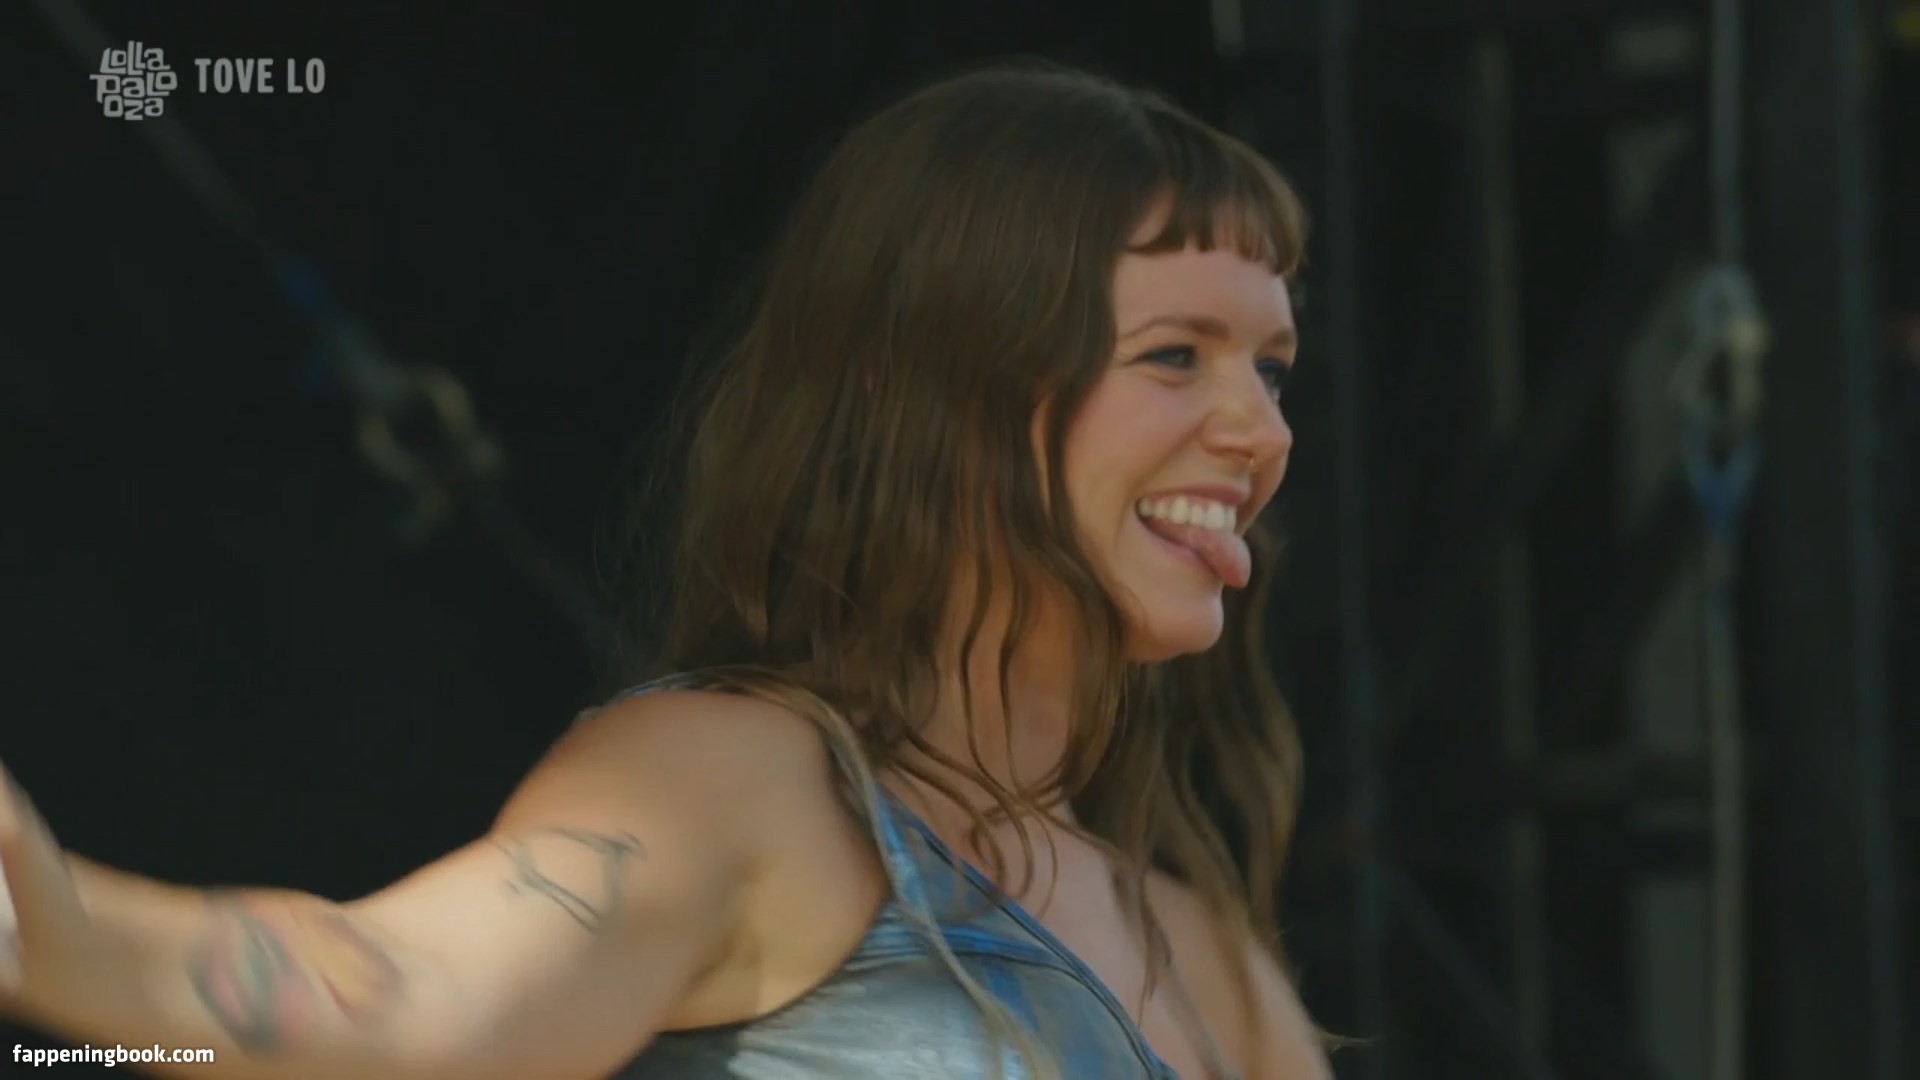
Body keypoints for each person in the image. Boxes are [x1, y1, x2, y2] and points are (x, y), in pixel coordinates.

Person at [0, 60, 1332, 1079]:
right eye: (1176, 356)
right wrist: (50, 918)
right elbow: (402, 1002)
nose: (1262, 432)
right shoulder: (744, 785)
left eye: (1271, 370)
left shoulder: (1220, 965)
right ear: (940, 387)